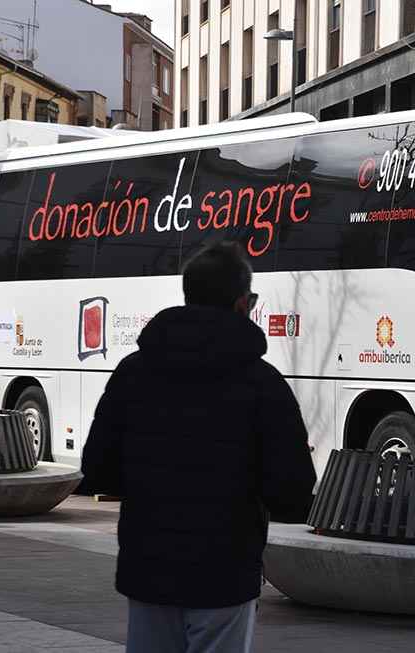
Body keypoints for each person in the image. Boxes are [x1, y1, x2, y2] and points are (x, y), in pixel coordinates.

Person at [81, 241, 316, 653]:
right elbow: (293, 492)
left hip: (149, 568)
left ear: (188, 296)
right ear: (244, 303)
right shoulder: (263, 384)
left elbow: (97, 469)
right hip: (225, 573)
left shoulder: (133, 373)